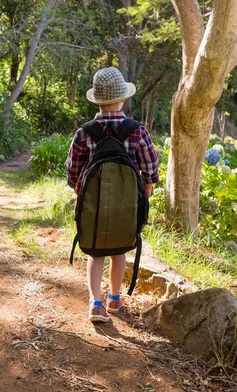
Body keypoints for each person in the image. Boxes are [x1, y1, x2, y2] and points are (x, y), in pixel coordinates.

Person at [65, 67, 159, 322]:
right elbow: (150, 168)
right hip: (127, 205)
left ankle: (95, 303)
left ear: (97, 99)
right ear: (123, 98)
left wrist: (79, 190)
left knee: (96, 253)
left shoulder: (85, 132)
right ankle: (114, 298)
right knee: (120, 251)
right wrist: (145, 195)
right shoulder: (137, 130)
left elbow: (72, 169)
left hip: (94, 205)